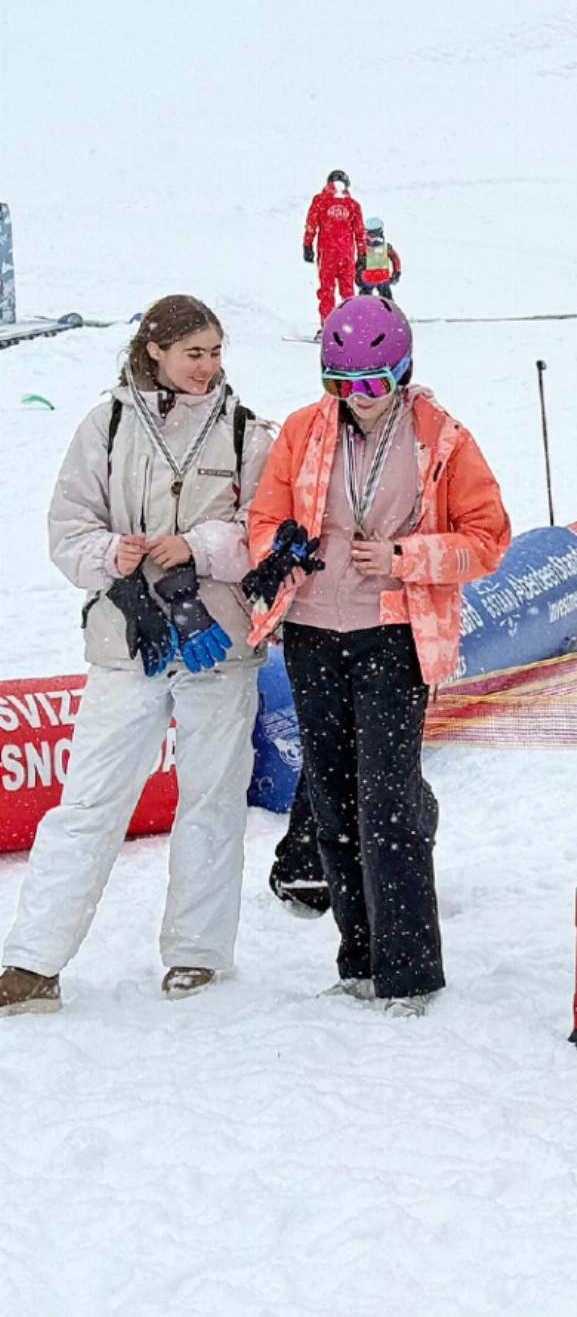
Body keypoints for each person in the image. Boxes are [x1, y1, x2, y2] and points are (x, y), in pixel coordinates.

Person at [1, 297, 272, 1015]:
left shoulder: (249, 433)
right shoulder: (108, 426)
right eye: (195, 354)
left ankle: (198, 955)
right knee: (89, 800)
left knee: (212, 799)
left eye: (216, 352)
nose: (209, 367)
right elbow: (68, 529)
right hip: (126, 641)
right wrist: (107, 553)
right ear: (155, 350)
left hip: (220, 640)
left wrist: (201, 547)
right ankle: (33, 961)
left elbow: (269, 533)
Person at [244, 299, 509, 1015]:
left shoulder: (442, 439)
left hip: (392, 634)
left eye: (371, 385)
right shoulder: (302, 431)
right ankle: (358, 957)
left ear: (402, 372)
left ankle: (410, 971)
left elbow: (487, 537)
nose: (356, 401)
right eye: (341, 384)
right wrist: (278, 550)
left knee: (387, 803)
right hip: (311, 633)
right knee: (330, 799)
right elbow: (264, 518)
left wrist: (405, 557)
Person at [303, 168, 365, 331]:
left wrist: (307, 245)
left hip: (327, 254)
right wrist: (362, 254)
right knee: (348, 292)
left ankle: (328, 328)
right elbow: (360, 232)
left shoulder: (320, 201)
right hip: (346, 254)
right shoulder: (353, 205)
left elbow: (311, 225)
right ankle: (351, 327)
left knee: (327, 292)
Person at [356, 216, 401, 301]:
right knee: (364, 300)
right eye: (369, 234)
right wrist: (357, 274)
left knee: (386, 301)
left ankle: (388, 311)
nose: (372, 237)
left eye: (374, 234)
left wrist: (396, 272)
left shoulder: (386, 247)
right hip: (369, 279)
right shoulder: (363, 247)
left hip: (380, 279)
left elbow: (395, 260)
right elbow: (359, 262)